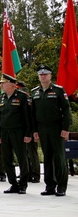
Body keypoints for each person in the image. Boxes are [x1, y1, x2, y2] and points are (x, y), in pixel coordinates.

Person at [30, 64, 72, 197]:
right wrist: (34, 130)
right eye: (41, 74)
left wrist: (65, 128)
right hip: (42, 128)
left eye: (45, 74)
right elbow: (33, 113)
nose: (43, 76)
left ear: (50, 76)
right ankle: (50, 185)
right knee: (47, 157)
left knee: (59, 157)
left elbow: (66, 110)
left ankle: (61, 186)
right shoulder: (35, 91)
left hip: (56, 127)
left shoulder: (58, 90)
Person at [0, 74, 32, 194]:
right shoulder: (1, 98)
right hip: (5, 132)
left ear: (11, 84)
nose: (1, 85)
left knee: (22, 158)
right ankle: (13, 184)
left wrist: (28, 133)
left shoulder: (21, 97)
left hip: (18, 132)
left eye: (3, 83)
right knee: (6, 158)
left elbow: (27, 117)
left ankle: (23, 184)